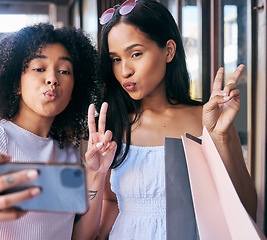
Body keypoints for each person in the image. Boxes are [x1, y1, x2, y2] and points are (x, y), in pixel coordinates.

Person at [0, 23, 116, 240]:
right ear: (16, 83)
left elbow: (81, 237)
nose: (52, 79)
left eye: (64, 71)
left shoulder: (70, 149)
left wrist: (97, 173)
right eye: (39, 68)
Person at [97, 0, 257, 239]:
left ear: (168, 51)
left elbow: (247, 210)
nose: (124, 70)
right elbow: (110, 202)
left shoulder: (207, 120)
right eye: (116, 59)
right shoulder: (113, 125)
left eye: (136, 54)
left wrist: (221, 137)